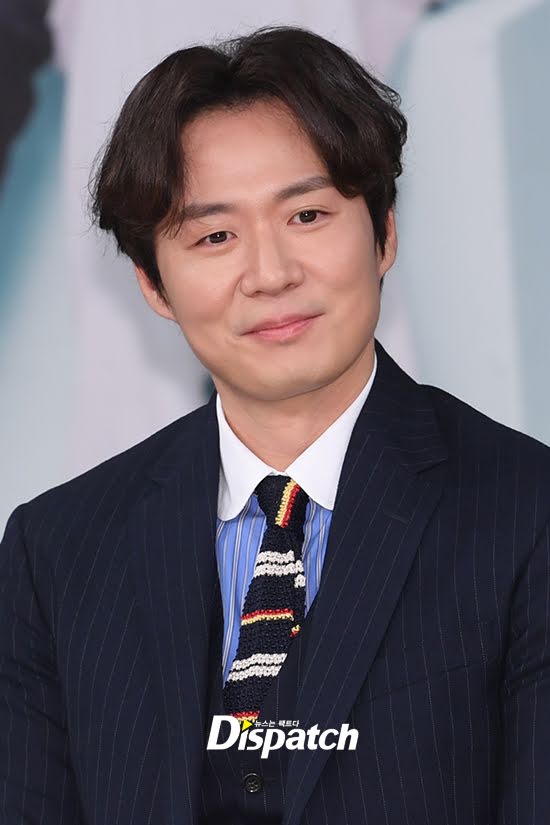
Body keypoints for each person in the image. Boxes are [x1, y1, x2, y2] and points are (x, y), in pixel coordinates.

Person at [1, 24, 549, 825]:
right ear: (153, 284)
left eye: (308, 214)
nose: (270, 273)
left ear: (383, 233)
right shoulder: (55, 552)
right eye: (215, 236)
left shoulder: (527, 512)